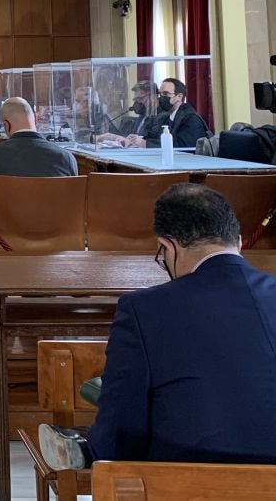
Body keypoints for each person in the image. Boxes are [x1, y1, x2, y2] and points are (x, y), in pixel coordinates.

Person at [39, 183, 276, 470]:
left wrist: (99, 449)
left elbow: (122, 423)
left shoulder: (144, 309)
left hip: (192, 480)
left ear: (168, 246)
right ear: (238, 242)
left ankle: (85, 450)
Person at [0, 98, 78, 248]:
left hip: (5, 241)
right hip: (55, 238)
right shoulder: (66, 157)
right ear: (35, 118)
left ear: (6, 125)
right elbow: (72, 206)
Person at [124, 77, 208, 149]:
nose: (162, 98)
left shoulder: (191, 118)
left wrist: (145, 143)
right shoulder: (166, 116)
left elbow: (183, 147)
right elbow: (155, 137)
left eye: (166, 93)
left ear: (179, 97)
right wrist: (135, 139)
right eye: (160, 94)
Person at [97, 81, 160, 145]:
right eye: (135, 100)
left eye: (140, 99)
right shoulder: (141, 117)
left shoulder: (161, 117)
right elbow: (132, 138)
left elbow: (150, 142)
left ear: (153, 97)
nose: (137, 103)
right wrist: (113, 137)